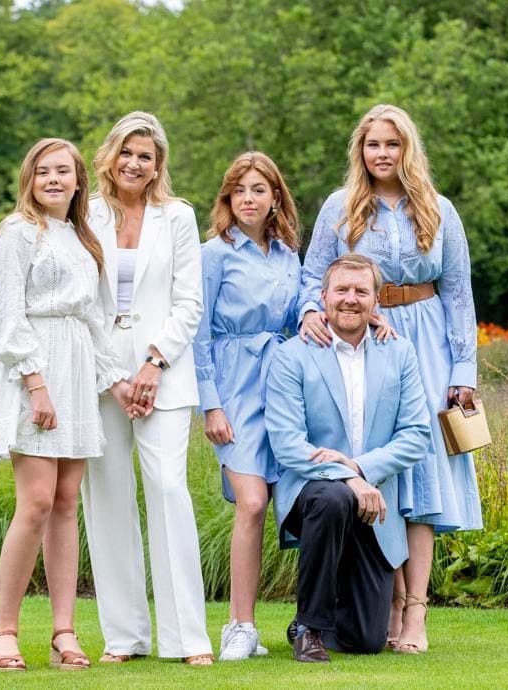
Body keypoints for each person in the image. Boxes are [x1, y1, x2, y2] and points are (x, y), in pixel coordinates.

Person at [298, 103, 482, 654]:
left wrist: (463, 368)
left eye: (392, 145)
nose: (382, 154)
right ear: (361, 150)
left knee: (422, 473)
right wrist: (311, 311)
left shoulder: (439, 208)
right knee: (383, 468)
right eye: (373, 145)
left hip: (425, 340)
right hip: (364, 339)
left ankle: (416, 611)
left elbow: (457, 293)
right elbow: (313, 276)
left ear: (408, 151)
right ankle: (386, 601)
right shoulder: (340, 205)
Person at [0, 138, 134, 671]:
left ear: (76, 181)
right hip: (36, 367)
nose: (53, 179)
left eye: (62, 171)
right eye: (43, 171)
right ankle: (3, 632)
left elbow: (94, 321)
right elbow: (4, 317)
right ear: (30, 179)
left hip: (75, 368)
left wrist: (115, 380)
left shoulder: (81, 237)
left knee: (68, 501)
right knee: (38, 501)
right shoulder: (17, 234)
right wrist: (35, 383)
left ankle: (64, 632)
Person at [79, 112, 214, 666]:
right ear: (110, 155)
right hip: (99, 374)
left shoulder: (177, 217)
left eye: (146, 156)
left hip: (166, 373)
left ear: (159, 165)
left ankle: (188, 639)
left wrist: (153, 364)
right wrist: (115, 377)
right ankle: (125, 638)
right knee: (108, 498)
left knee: (167, 491)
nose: (135, 164)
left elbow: (189, 302)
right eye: (127, 153)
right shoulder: (84, 215)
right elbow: (83, 303)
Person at [266, 254, 431, 662]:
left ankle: (325, 618)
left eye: (361, 291)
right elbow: (287, 443)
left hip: (374, 507)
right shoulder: (292, 355)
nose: (350, 300)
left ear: (376, 301)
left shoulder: (400, 354)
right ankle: (310, 628)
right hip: (312, 494)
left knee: (366, 640)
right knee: (333, 497)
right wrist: (346, 478)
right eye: (341, 290)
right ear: (323, 297)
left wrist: (360, 469)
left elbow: (417, 436)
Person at [192, 151, 300, 661]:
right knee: (252, 502)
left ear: (275, 196)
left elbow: (306, 317)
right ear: (227, 200)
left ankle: (319, 619)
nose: (249, 199)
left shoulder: (288, 257)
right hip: (234, 386)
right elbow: (198, 334)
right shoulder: (212, 254)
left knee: (294, 504)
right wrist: (210, 404)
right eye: (239, 191)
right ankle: (239, 625)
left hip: (282, 385)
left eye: (259, 189)